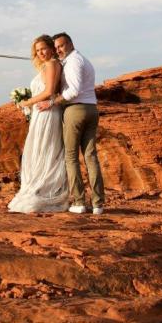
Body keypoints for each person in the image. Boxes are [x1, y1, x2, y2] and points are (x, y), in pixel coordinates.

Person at [39, 32, 105, 214]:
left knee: (71, 157)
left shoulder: (74, 61)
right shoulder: (83, 60)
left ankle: (79, 202)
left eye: (61, 46)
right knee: (90, 156)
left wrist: (51, 102)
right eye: (56, 47)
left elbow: (74, 90)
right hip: (92, 109)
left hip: (76, 110)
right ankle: (98, 204)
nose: (59, 50)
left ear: (70, 44)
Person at [7, 34, 70, 213]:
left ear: (51, 48)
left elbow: (49, 91)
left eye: (43, 48)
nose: (41, 52)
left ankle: (43, 191)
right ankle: (41, 189)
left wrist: (26, 102)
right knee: (43, 150)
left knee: (44, 150)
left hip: (46, 112)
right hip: (42, 112)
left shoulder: (51, 64)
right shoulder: (50, 65)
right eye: (37, 50)